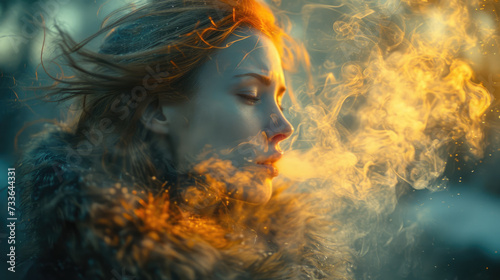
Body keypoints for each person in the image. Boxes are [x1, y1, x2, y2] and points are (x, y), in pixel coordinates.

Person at [17, 0, 349, 279]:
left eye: (279, 99)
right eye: (249, 95)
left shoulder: (286, 251)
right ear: (157, 110)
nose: (284, 126)